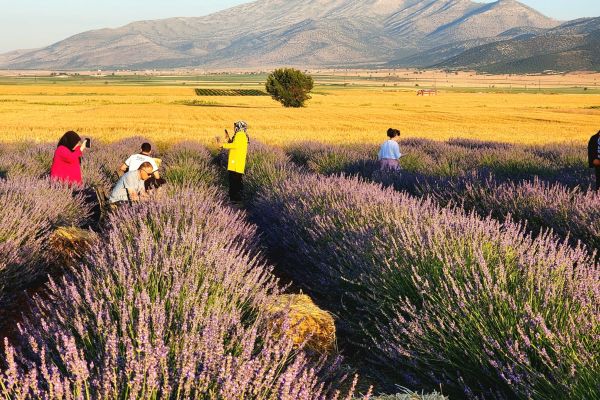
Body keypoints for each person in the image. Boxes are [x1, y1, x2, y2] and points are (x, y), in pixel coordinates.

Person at [221, 121, 249, 202]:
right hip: (238, 161)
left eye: (235, 126)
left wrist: (223, 145)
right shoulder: (242, 135)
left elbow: (235, 145)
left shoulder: (240, 135)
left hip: (236, 162)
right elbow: (236, 144)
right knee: (237, 180)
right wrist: (229, 140)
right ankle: (237, 198)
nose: (234, 128)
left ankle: (235, 199)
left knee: (234, 181)